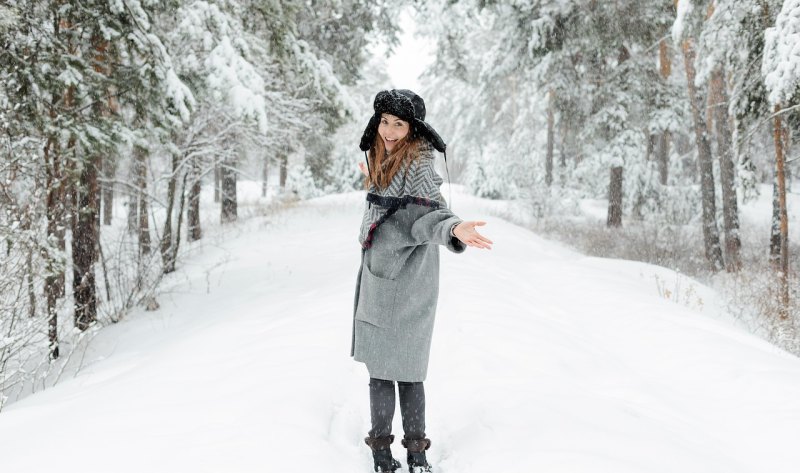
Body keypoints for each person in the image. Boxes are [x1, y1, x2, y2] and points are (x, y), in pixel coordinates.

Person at [351, 89, 492, 473]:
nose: (390, 131)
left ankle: (417, 454)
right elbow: (390, 204)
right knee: (381, 369)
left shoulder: (419, 165)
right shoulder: (382, 158)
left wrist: (454, 228)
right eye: (385, 121)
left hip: (409, 280)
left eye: (399, 124)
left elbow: (431, 213)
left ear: (413, 129)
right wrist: (373, 180)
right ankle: (382, 453)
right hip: (380, 277)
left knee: (409, 371)